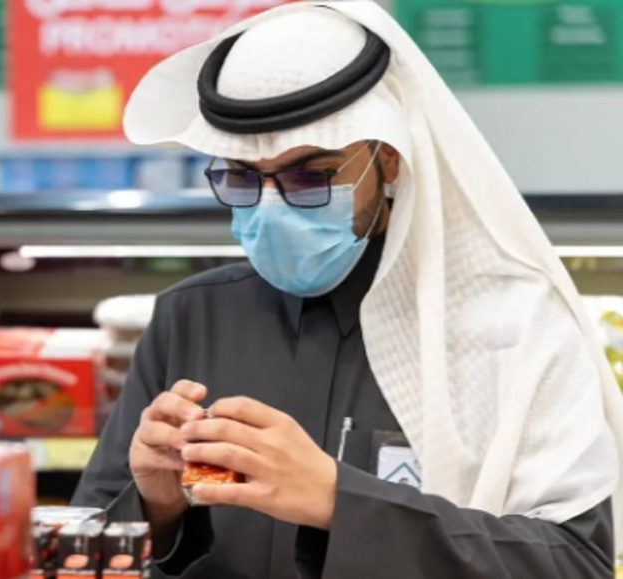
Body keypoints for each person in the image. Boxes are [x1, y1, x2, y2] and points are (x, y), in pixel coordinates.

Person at [71, 2, 623, 578]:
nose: (271, 206)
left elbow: (574, 562)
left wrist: (338, 501)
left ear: (389, 161)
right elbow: (82, 548)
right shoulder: (192, 317)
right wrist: (158, 507)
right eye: (240, 178)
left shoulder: (513, 325)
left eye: (309, 177)